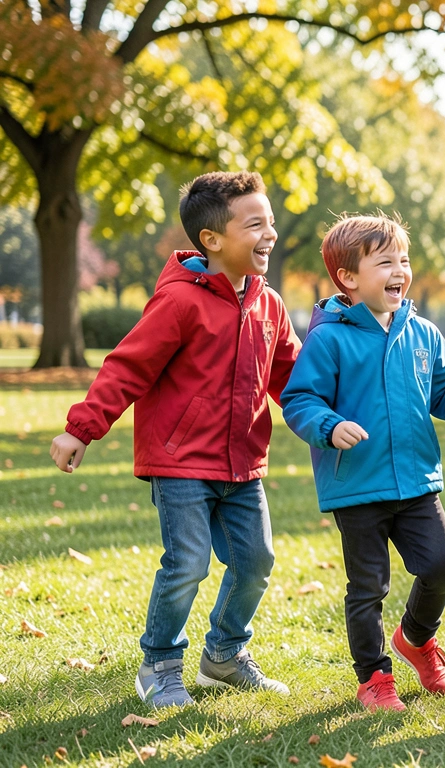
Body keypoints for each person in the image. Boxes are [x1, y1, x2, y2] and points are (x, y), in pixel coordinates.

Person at [50, 172, 300, 709]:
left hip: (243, 463)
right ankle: (159, 665)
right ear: (212, 239)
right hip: (180, 460)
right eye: (255, 224)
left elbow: (292, 380)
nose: (270, 234)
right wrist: (81, 428)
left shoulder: (269, 305)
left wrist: (330, 420)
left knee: (256, 561)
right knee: (187, 562)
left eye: (271, 222)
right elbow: (128, 367)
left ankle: (224, 655)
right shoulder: (180, 302)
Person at [281, 214, 445, 711]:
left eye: (403, 259)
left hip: (417, 481)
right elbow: (300, 399)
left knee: (441, 565)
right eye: (385, 262)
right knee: (368, 587)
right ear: (349, 278)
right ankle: (374, 677)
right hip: (357, 485)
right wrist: (329, 426)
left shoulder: (422, 333)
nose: (399, 270)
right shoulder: (330, 338)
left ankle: (417, 639)